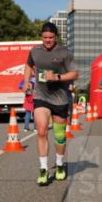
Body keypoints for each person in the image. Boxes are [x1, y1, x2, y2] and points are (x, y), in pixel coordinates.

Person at [23, 23, 78, 185]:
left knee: (60, 136)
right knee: (41, 131)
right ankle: (43, 169)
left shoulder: (64, 53)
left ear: (56, 37)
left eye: (51, 37)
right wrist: (27, 81)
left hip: (60, 98)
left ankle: (60, 165)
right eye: (45, 37)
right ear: (41, 37)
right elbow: (28, 66)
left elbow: (75, 73)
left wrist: (58, 78)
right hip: (41, 96)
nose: (47, 40)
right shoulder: (35, 51)